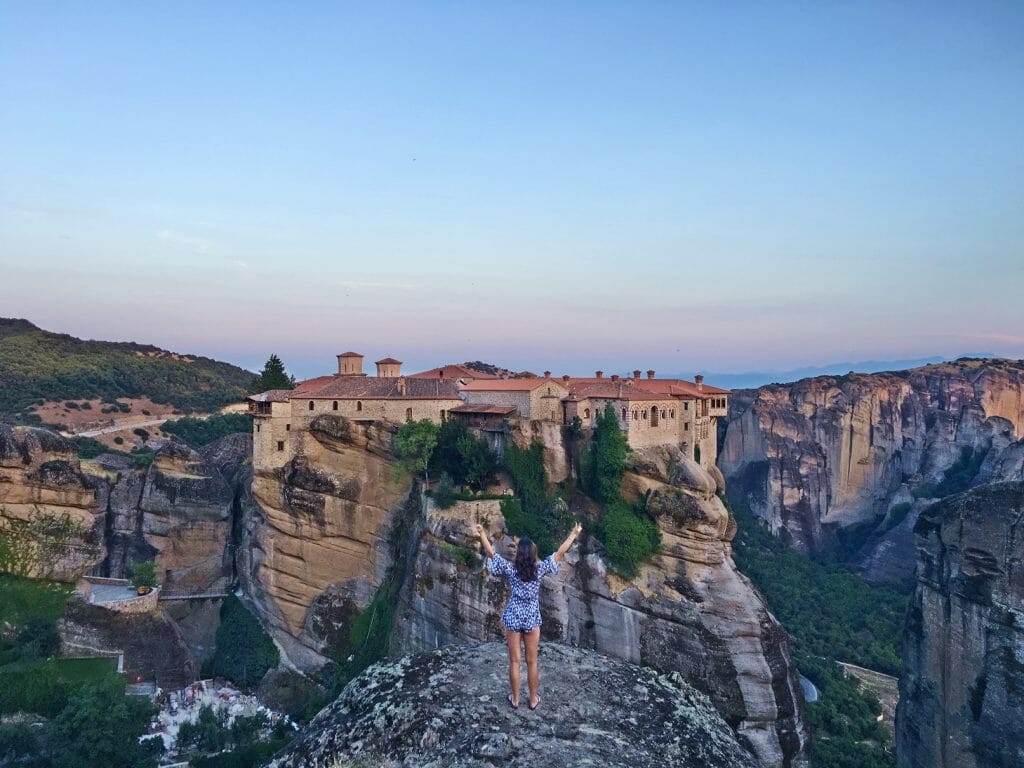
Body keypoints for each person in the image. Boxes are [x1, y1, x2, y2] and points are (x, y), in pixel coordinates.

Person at [474, 521, 583, 711]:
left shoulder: (511, 570)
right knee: (532, 662)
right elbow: (559, 554)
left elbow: (491, 553)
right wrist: (573, 534)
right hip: (532, 618)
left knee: (514, 661)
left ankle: (515, 699)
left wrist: (481, 533)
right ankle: (533, 699)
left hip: (514, 617)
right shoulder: (539, 569)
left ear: (519, 554)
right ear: (533, 554)